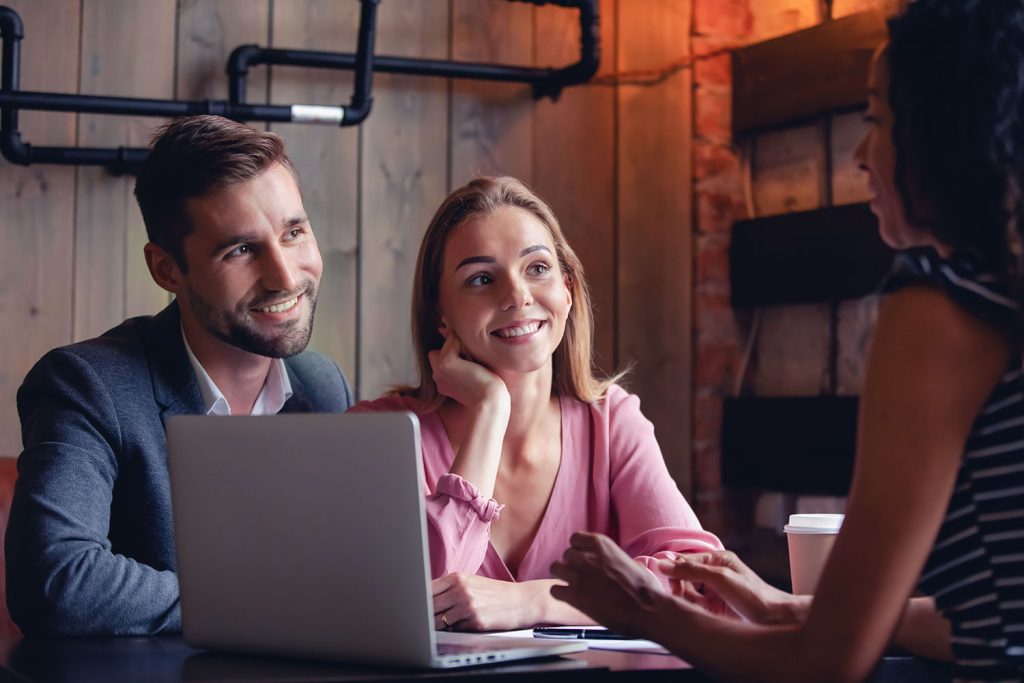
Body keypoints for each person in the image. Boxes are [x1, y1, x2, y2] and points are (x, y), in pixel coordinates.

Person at [550, 1, 1024, 680]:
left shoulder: (939, 311)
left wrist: (644, 606)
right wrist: (785, 606)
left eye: (877, 122)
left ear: (942, 136)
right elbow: (997, 622)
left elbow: (830, 662)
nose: (863, 154)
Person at [6, 115, 353, 636]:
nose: (285, 275)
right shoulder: (87, 384)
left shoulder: (322, 385)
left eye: (294, 232)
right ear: (167, 269)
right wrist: (261, 602)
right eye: (240, 249)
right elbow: (56, 581)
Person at [353, 176, 721, 632]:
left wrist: (536, 601)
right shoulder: (378, 434)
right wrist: (490, 408)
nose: (517, 296)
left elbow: (703, 586)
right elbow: (409, 608)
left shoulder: (612, 422)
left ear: (567, 290)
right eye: (481, 279)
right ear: (440, 314)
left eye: (537, 268)